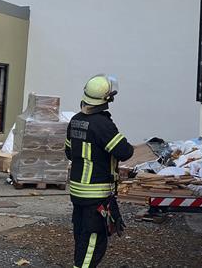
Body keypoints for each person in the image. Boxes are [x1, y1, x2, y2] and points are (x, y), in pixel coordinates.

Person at [65, 74, 134, 268]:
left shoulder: (76, 120)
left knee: (82, 235)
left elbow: (69, 152)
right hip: (95, 193)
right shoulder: (103, 124)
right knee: (94, 242)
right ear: (106, 99)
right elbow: (124, 152)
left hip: (78, 192)